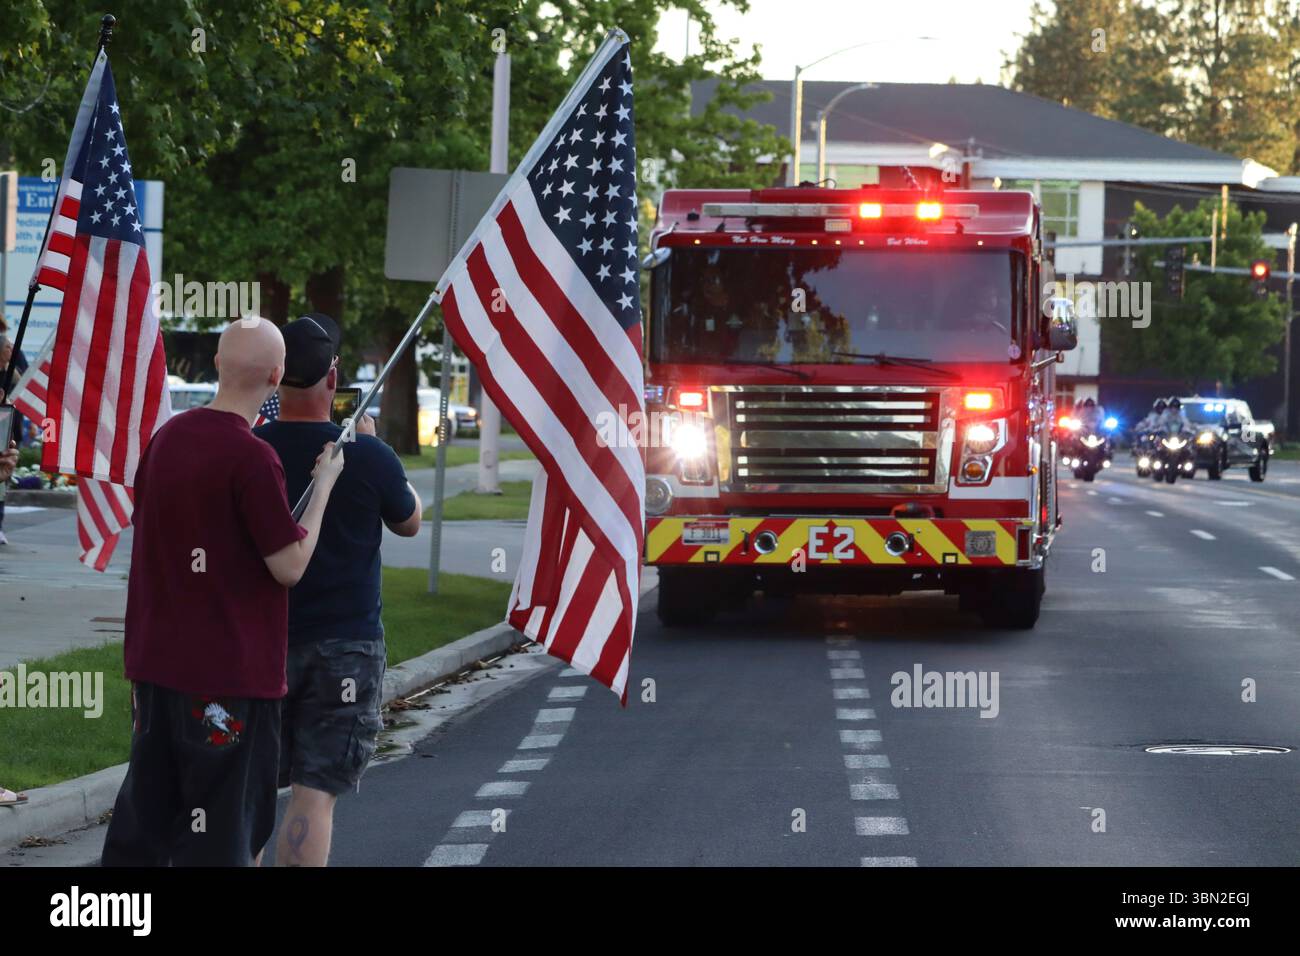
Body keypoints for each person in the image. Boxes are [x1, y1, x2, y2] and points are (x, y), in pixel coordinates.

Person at [101, 318, 346, 867]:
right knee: (222, 828)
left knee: (148, 815)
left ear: (216, 364)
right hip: (229, 680)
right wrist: (325, 483)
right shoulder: (252, 458)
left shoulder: (167, 438)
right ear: (277, 375)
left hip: (155, 670)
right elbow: (288, 566)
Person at [254, 314, 421, 867]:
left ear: (277, 378)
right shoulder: (366, 454)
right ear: (334, 376)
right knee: (315, 791)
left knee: (246, 792)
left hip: (261, 645)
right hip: (346, 648)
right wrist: (374, 446)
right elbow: (409, 521)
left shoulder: (251, 450)